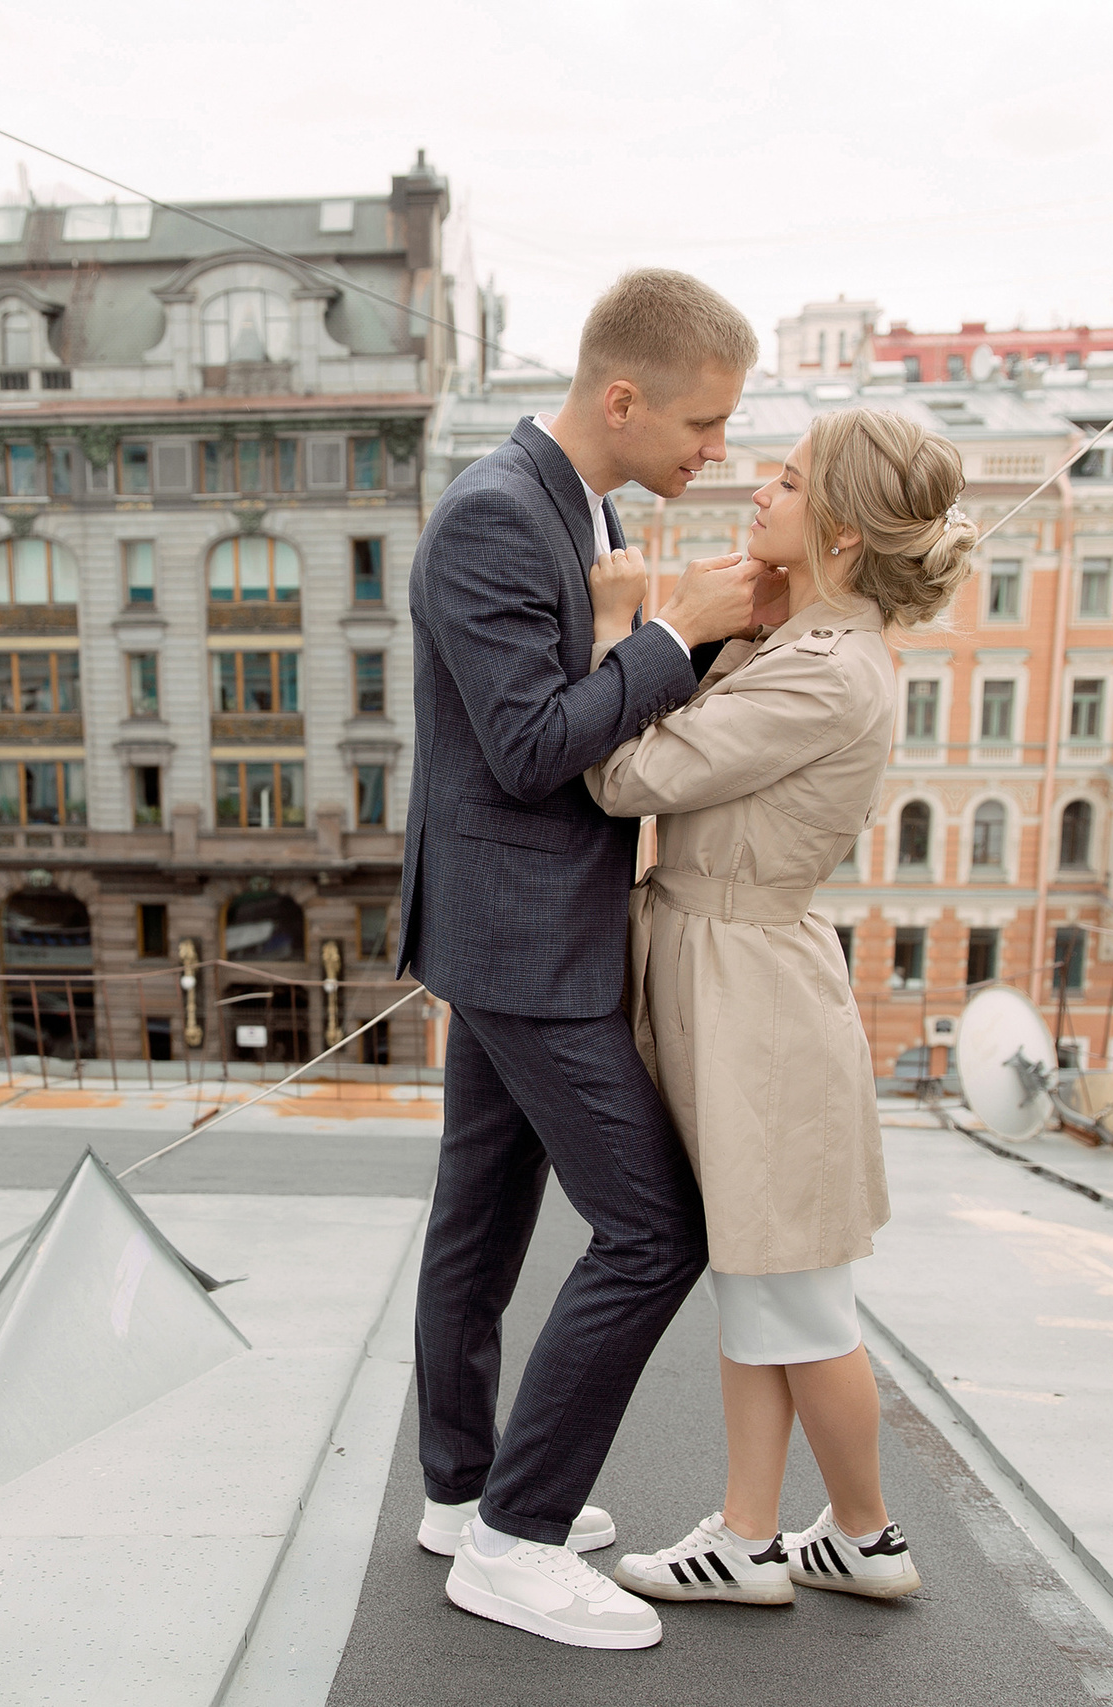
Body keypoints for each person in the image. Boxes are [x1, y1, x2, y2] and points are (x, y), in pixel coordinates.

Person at [396, 269, 766, 1650]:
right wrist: (682, 635)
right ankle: (515, 1535)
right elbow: (539, 745)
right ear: (623, 398)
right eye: (703, 424)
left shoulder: (582, 505)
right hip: (524, 936)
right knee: (657, 1225)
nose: (715, 450)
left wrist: (645, 629)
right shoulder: (496, 517)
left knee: (481, 1220)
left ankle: (459, 1489)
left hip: (515, 922)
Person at [583, 406, 978, 1608]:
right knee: (762, 1280)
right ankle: (752, 1534)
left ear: (843, 531)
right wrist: (722, 631)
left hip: (753, 992)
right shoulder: (808, 641)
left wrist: (624, 630)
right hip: (735, 972)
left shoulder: (824, 670)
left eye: (791, 481)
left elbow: (622, 776)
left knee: (800, 1295)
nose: (761, 487)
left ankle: (862, 1533)